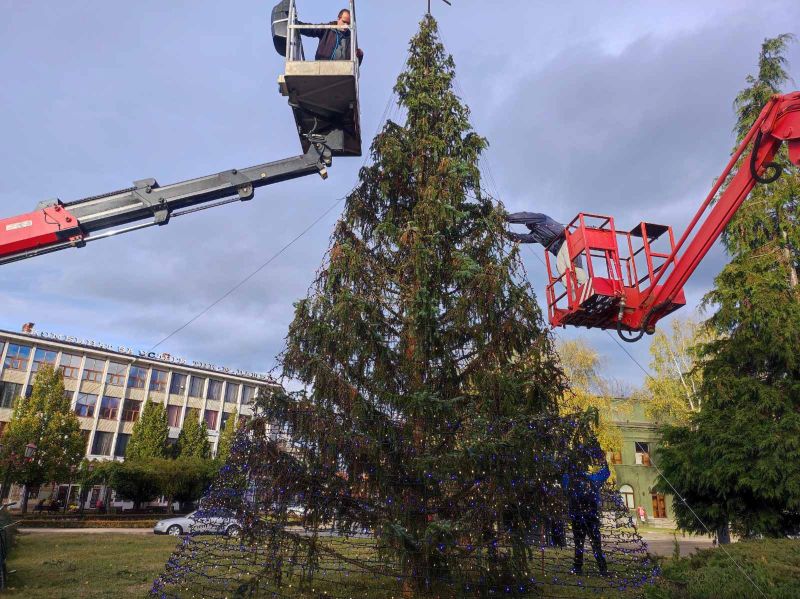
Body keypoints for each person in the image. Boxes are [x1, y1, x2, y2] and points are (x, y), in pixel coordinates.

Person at [562, 446, 610, 576]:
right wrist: (603, 460)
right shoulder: (592, 479)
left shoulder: (569, 480)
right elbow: (606, 473)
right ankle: (603, 569)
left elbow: (564, 482)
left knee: (579, 543)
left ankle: (578, 568)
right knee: (595, 544)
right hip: (591, 517)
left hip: (577, 517)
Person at [505, 212, 587, 285]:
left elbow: (524, 216)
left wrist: (505, 217)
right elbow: (523, 238)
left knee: (572, 265)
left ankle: (585, 284)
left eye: (527, 223)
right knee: (562, 270)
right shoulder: (536, 235)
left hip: (566, 241)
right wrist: (504, 234)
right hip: (558, 251)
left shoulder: (541, 218)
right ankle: (573, 295)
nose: (527, 225)